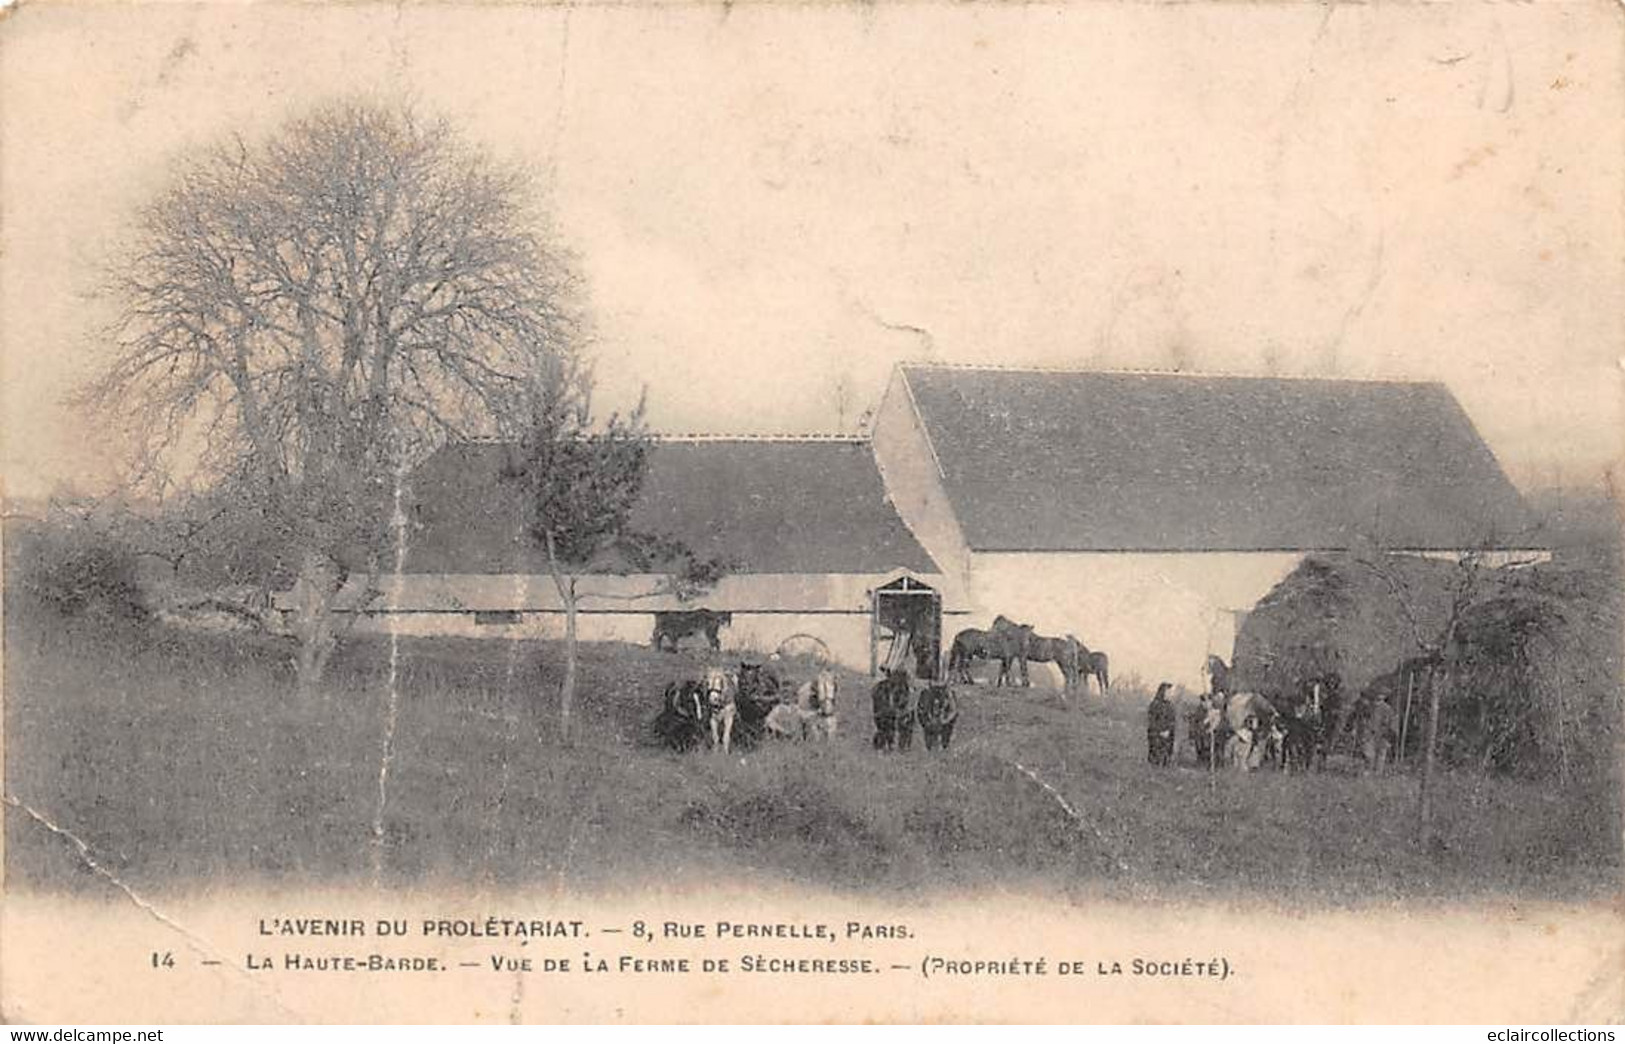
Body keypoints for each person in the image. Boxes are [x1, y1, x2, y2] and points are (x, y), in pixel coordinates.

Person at [1147, 682, 1176, 766]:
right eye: (1168, 692)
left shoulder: (1171, 706)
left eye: (1171, 692)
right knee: (1156, 758)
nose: (1170, 694)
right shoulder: (1155, 704)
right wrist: (1160, 732)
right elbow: (1152, 721)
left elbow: (1172, 721)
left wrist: (1168, 731)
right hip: (1156, 736)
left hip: (1168, 736)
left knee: (1166, 758)